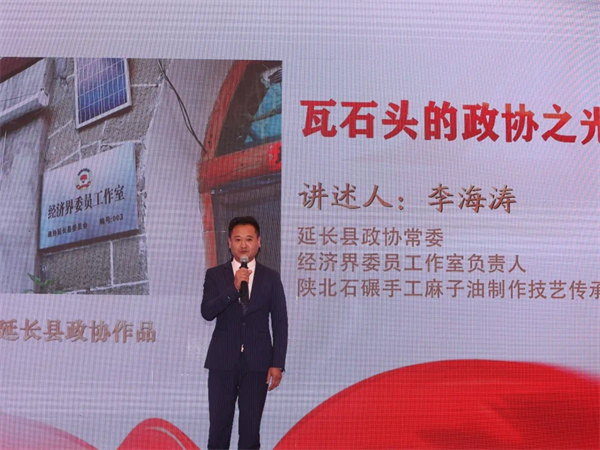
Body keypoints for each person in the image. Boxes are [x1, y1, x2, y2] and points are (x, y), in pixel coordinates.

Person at [201, 216, 288, 450]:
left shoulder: (271, 278)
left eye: (249, 239)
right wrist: (233, 288)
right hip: (222, 362)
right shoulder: (215, 275)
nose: (243, 245)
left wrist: (277, 363)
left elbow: (280, 322)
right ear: (229, 243)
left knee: (250, 431)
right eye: (238, 239)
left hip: (257, 364)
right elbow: (207, 312)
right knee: (219, 429)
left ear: (259, 242)